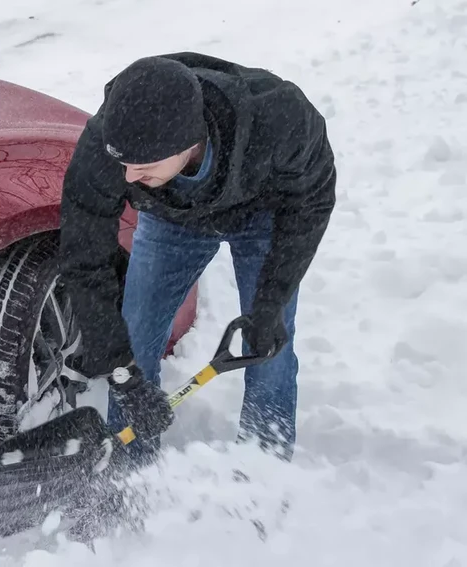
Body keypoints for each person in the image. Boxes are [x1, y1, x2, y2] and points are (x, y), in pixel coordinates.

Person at [58, 52, 336, 466]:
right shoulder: (110, 146)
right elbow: (84, 258)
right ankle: (131, 471)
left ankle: (263, 470)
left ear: (189, 144)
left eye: (144, 165)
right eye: (124, 165)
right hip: (171, 218)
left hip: (263, 211)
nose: (129, 178)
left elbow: (312, 200)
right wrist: (122, 372)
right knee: (134, 336)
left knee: (267, 347)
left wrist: (271, 299)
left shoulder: (278, 117)